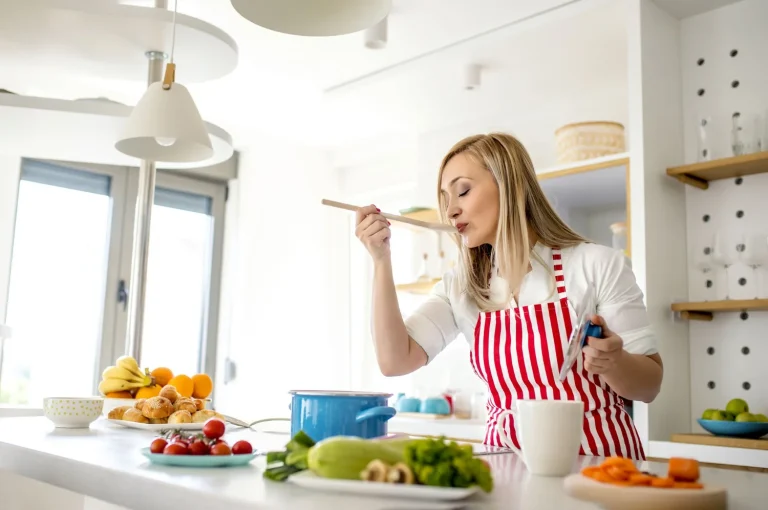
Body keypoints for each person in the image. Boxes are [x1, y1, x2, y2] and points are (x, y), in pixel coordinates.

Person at [354, 132, 663, 461]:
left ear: (509, 184)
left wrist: (615, 363)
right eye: (446, 199)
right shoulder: (462, 287)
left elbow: (649, 386)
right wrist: (381, 260)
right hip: (509, 472)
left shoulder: (597, 264)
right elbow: (394, 360)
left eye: (463, 190)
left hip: (600, 469)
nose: (451, 210)